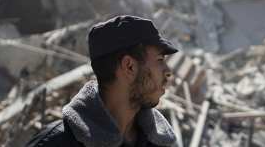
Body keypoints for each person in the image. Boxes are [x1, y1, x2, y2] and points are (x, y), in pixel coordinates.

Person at [26, 15, 178, 147]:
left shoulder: (159, 142)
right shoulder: (55, 143)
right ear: (129, 66)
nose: (168, 71)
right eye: (160, 59)